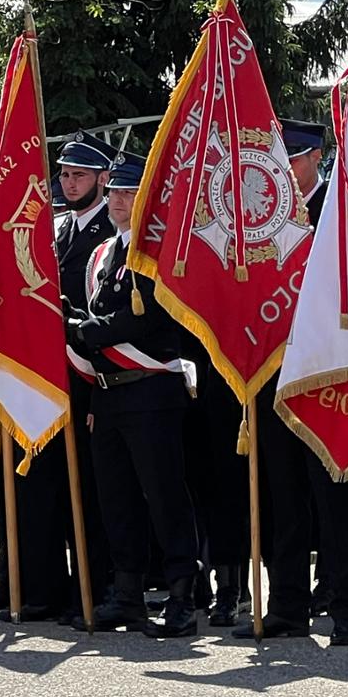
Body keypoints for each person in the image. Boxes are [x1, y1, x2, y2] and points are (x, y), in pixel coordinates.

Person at [239, 119, 348, 644]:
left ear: (316, 158)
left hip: (324, 374)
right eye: (280, 160)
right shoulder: (264, 219)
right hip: (271, 374)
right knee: (282, 498)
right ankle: (287, 604)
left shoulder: (337, 215)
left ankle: (343, 607)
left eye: (294, 159)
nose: (286, 170)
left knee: (334, 498)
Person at [67, 160, 202, 637]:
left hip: (150, 390)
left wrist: (84, 331)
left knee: (164, 495)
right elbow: (97, 313)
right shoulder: (105, 253)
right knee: (116, 497)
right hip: (108, 394)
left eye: (130, 194)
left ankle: (182, 593)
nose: (121, 202)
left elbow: (144, 321)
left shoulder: (156, 253)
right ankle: (127, 592)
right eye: (117, 194)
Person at [52, 132, 119, 624]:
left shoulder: (106, 237)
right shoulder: (59, 232)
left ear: (102, 179)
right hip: (56, 371)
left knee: (98, 491)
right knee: (62, 483)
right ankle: (64, 588)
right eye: (65, 173)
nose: (68, 182)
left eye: (78, 175)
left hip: (93, 372)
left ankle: (99, 588)